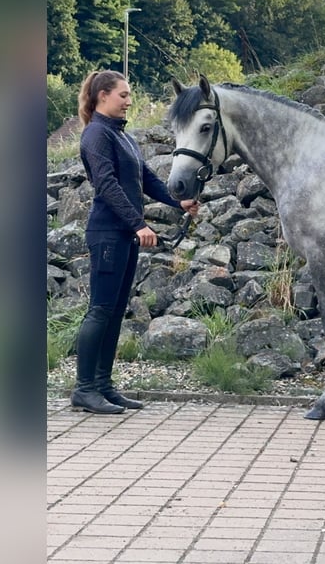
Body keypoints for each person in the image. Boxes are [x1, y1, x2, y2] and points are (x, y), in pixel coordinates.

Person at [72, 70, 199, 414]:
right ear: (102, 96)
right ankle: (84, 389)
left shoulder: (120, 135)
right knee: (100, 310)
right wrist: (139, 223)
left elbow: (146, 178)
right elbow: (107, 185)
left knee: (113, 312)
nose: (129, 101)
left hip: (123, 234)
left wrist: (178, 201)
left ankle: (103, 386)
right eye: (123, 95)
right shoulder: (96, 134)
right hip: (107, 234)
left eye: (129, 95)